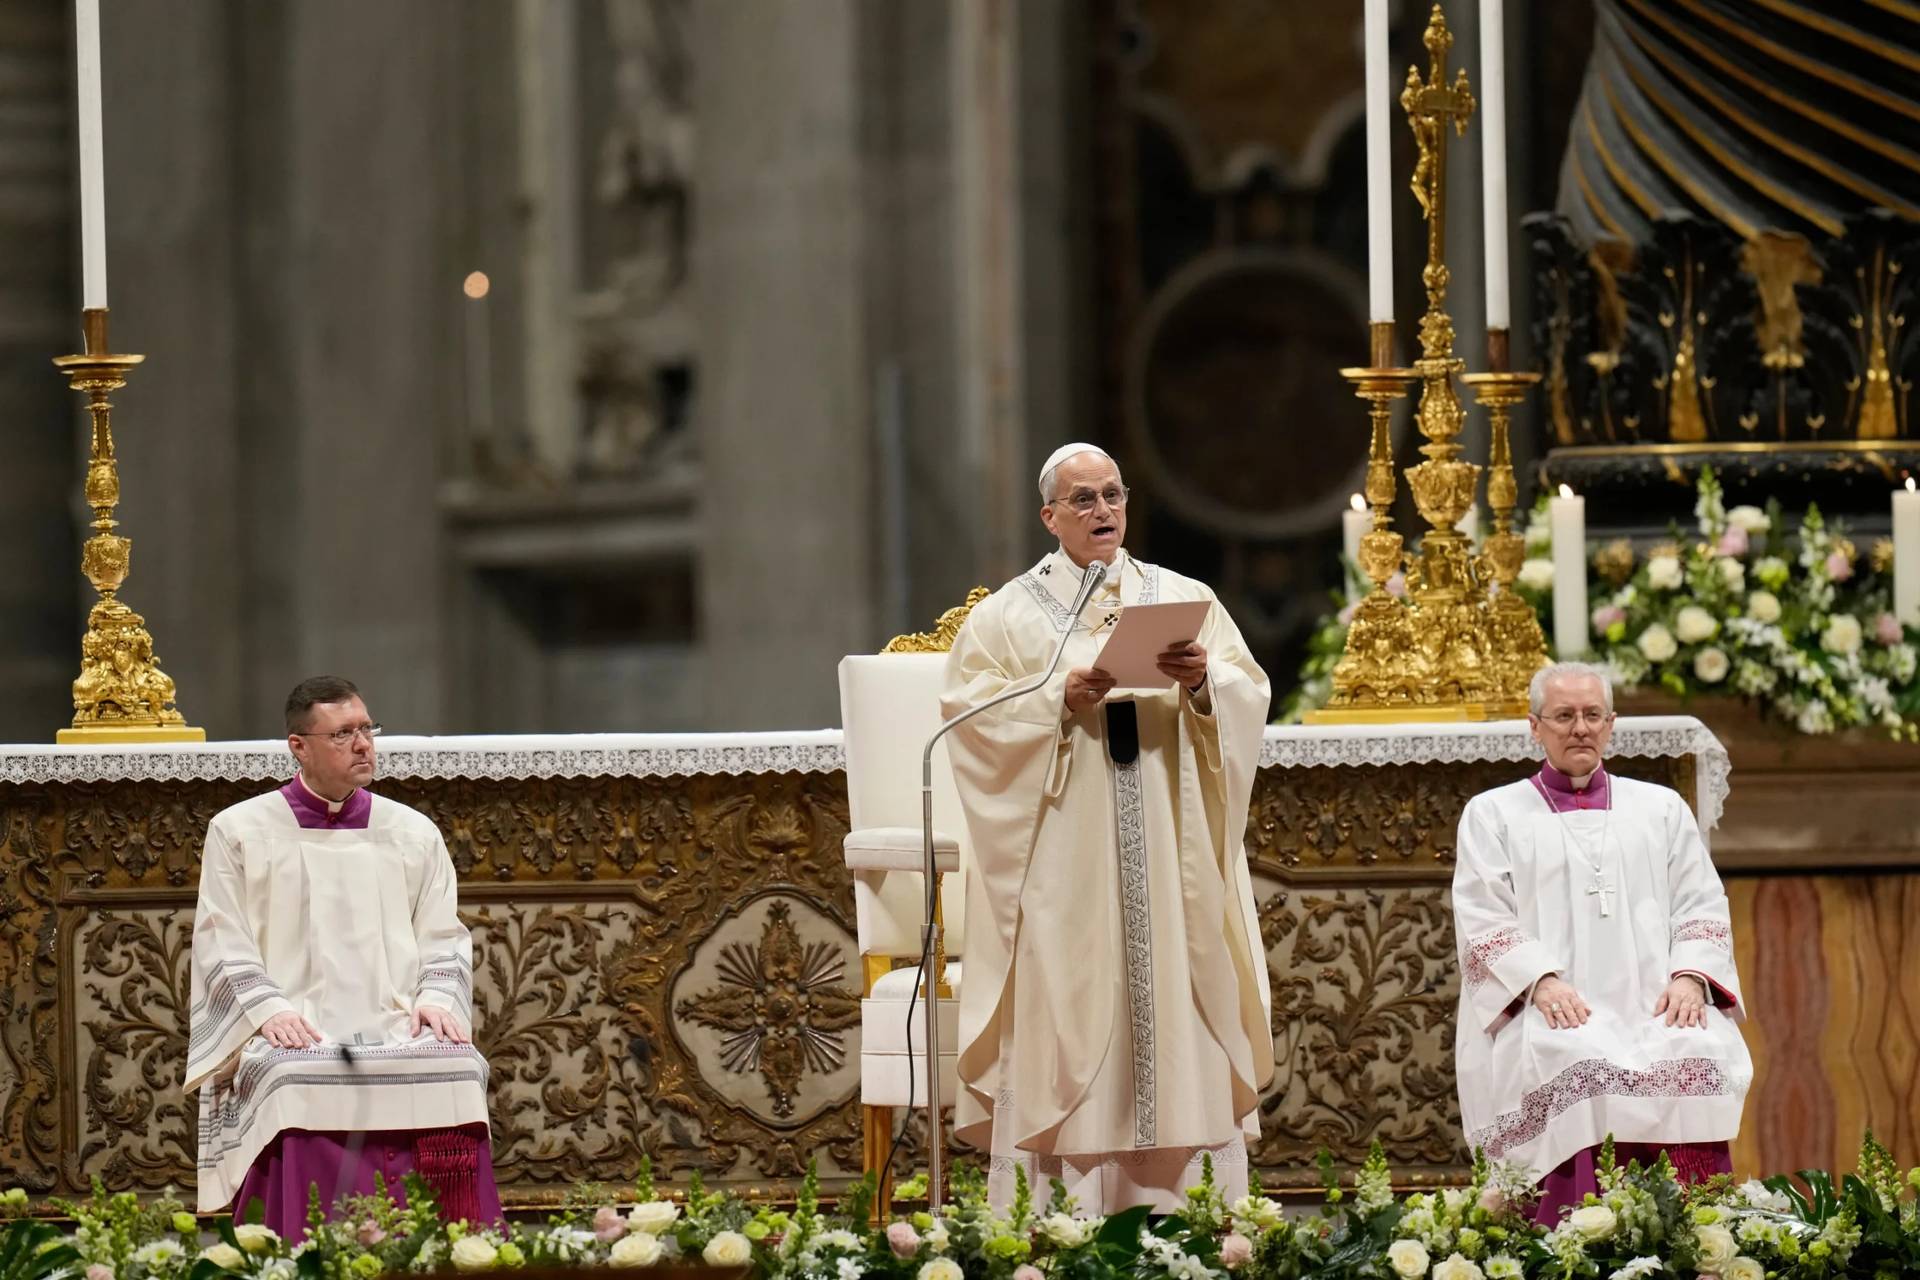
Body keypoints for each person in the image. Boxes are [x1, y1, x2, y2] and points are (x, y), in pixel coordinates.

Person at [941, 443, 1274, 1213]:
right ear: (1049, 516)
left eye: (1113, 496)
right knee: (1075, 995)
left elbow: (1245, 690)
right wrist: (1057, 697)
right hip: (1067, 856)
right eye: (1083, 500)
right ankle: (1070, 1219)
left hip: (1168, 845)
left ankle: (1188, 1214)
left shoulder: (1181, 595)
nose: (1103, 512)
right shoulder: (1006, 616)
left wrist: (1200, 685)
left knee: (1177, 987)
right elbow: (966, 718)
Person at [185, 677, 499, 1234]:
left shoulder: (411, 832)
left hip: (395, 1023)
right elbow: (222, 937)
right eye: (343, 734)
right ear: (298, 747)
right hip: (295, 1025)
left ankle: (447, 1245)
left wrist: (434, 999)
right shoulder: (239, 831)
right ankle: (300, 1246)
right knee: (287, 1076)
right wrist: (268, 1011)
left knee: (455, 1065)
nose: (363, 745)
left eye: (366, 729)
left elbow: (443, 934)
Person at [1451, 661, 1752, 1223]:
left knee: (1695, 1046)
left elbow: (1701, 900)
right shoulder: (1493, 814)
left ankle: (1695, 1233)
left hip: (1653, 1000)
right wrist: (1538, 980)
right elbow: (1482, 914)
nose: (1580, 728)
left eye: (1592, 715)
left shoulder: (1660, 808)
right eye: (1564, 716)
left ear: (1612, 725)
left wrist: (1690, 974)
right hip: (1554, 1004)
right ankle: (1575, 1235)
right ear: (1535, 727)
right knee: (1573, 1056)